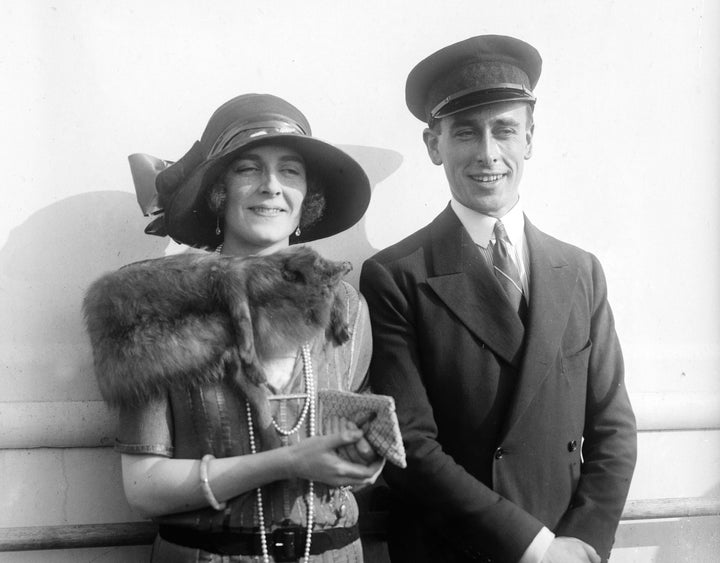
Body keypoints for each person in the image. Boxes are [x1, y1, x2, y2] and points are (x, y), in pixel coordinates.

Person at [359, 35, 637, 563]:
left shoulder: (580, 271)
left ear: (529, 138)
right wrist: (534, 548)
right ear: (433, 144)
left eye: (504, 130)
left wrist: (584, 541)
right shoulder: (395, 276)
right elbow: (409, 446)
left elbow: (613, 427)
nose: (487, 153)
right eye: (465, 132)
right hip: (456, 548)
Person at [87, 93, 384, 562]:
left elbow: (356, 429)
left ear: (309, 199)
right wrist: (286, 462)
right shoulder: (151, 303)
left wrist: (363, 458)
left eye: (290, 170)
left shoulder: (346, 303)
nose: (271, 187)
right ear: (218, 193)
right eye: (248, 169)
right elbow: (144, 488)